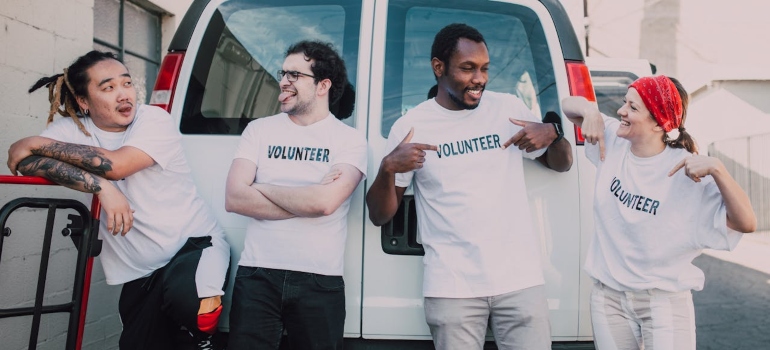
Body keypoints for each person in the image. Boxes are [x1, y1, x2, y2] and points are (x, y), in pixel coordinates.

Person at [366, 23, 572, 350]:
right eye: (467, 68)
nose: (480, 79)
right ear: (438, 68)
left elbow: (561, 164)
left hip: (520, 281)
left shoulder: (507, 109)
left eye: (484, 69)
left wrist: (554, 133)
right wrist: (387, 168)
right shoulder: (411, 127)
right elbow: (380, 215)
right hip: (452, 287)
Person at [6, 51, 231, 350]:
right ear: (84, 102)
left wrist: (33, 142)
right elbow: (23, 161)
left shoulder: (153, 119)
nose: (123, 94)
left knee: (192, 303)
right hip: (140, 270)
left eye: (127, 83)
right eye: (108, 87)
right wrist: (102, 188)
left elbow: (116, 165)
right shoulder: (72, 131)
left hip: (195, 245)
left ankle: (202, 340)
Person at [562, 75, 757, 350]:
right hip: (609, 299)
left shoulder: (686, 169)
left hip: (663, 301)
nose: (621, 112)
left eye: (632, 107)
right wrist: (589, 110)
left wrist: (718, 169)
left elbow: (746, 222)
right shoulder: (613, 141)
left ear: (657, 123)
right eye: (624, 103)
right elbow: (567, 104)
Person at [224, 40, 366, 350]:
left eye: (295, 75)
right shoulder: (259, 130)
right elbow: (234, 198)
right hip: (258, 275)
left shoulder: (349, 140)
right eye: (283, 72)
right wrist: (308, 197)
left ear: (322, 85)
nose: (284, 80)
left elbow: (325, 203)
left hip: (320, 279)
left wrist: (260, 188)